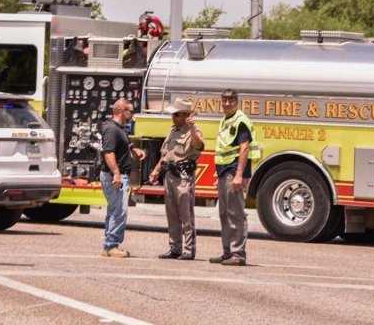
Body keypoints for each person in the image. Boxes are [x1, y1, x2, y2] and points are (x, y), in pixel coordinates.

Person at [148, 97, 204, 261]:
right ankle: (175, 248)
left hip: (183, 177)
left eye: (177, 115)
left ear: (187, 115)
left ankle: (189, 250)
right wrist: (155, 171)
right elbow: (165, 154)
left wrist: (192, 128)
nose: (173, 117)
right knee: (171, 214)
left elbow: (199, 146)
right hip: (169, 176)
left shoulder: (194, 131)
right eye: (173, 114)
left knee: (186, 215)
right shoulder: (173, 131)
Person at [209, 89, 260, 266]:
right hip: (225, 172)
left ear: (237, 101)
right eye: (224, 100)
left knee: (236, 214)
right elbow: (223, 149)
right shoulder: (225, 120)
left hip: (233, 172)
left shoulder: (240, 120)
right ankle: (227, 252)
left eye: (231, 100)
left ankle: (238, 254)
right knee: (224, 213)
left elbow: (244, 148)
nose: (227, 103)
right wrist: (219, 176)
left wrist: (238, 176)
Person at [100, 98, 146, 258]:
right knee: (119, 211)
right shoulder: (112, 129)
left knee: (115, 210)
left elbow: (122, 144)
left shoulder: (119, 128)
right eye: (131, 111)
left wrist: (134, 151)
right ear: (121, 111)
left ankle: (108, 245)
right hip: (115, 176)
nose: (133, 115)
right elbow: (108, 152)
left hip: (116, 175)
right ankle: (111, 245)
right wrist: (117, 173)